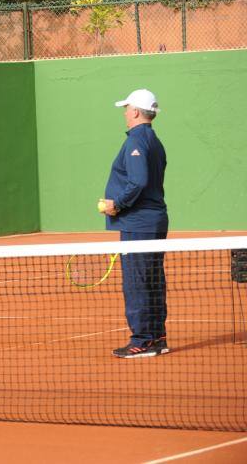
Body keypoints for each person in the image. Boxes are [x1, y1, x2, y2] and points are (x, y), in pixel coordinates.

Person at [100, 89, 169, 358]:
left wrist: (117, 203)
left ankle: (141, 340)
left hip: (138, 223)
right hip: (152, 221)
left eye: (127, 108)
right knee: (152, 280)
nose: (125, 113)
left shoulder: (136, 142)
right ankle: (156, 337)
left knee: (137, 282)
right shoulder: (155, 141)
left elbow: (138, 182)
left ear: (137, 112)